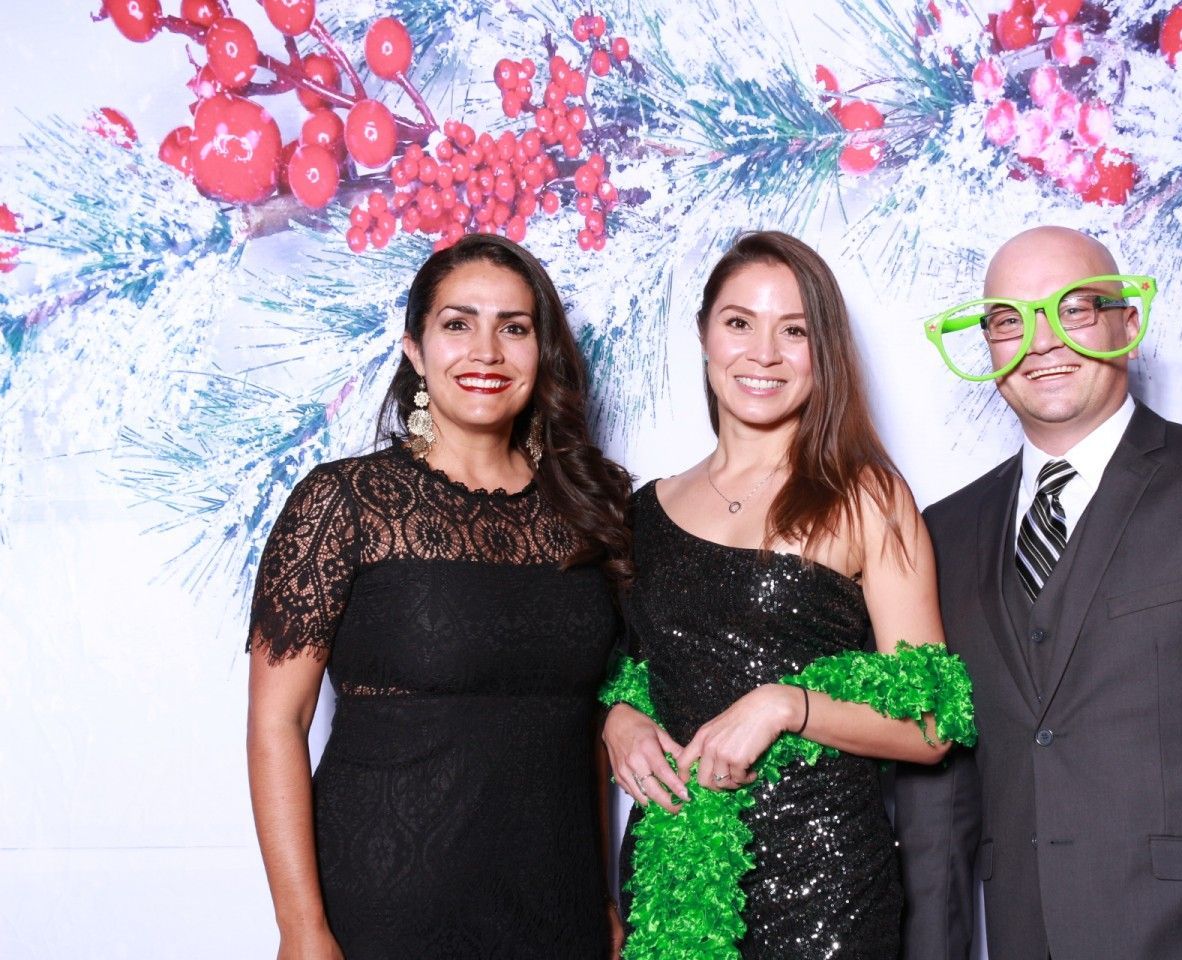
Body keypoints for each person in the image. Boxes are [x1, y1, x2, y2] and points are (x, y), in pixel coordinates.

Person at [896, 225, 1182, 959]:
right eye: (1008, 321)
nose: (1041, 342)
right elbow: (939, 795)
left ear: (1129, 323)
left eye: (1074, 309)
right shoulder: (942, 533)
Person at [245, 233, 631, 959]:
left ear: (540, 352)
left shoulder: (590, 507)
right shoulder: (345, 502)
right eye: (458, 324)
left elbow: (585, 728)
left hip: (557, 909)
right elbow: (277, 722)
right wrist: (301, 929)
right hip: (388, 911)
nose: (486, 351)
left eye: (513, 328)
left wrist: (602, 895)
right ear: (416, 352)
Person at [601, 231, 974, 959]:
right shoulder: (645, 511)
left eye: (794, 331)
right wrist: (618, 718)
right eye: (739, 322)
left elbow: (933, 726)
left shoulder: (866, 498)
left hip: (827, 887)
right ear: (706, 335)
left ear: (822, 351)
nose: (763, 354)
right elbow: (637, 671)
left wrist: (786, 705)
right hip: (676, 889)